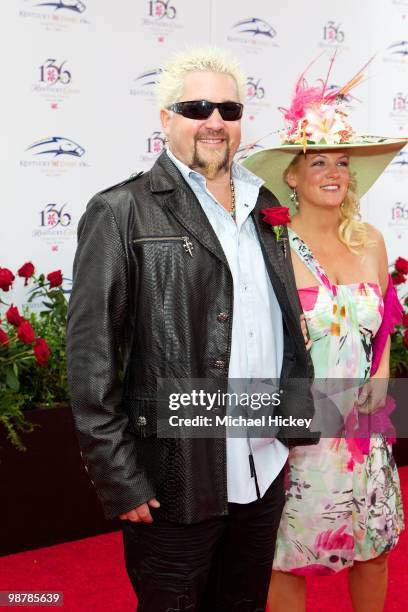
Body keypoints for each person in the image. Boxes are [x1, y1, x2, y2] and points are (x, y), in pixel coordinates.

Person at [66, 47, 316, 612]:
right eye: (197, 106)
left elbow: (282, 329)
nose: (215, 122)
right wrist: (119, 476)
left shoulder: (264, 203)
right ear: (166, 119)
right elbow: (91, 357)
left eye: (228, 109)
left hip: (262, 465)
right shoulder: (122, 210)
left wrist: (293, 424)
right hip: (176, 473)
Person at [244, 61, 407, 612]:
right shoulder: (270, 248)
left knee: (374, 551)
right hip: (299, 434)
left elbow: (384, 323)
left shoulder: (371, 241)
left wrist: (382, 375)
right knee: (287, 557)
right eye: (319, 161)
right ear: (292, 174)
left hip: (364, 429)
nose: (334, 171)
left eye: (342, 161)